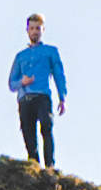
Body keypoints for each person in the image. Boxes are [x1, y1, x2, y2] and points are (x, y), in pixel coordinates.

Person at [8, 14, 66, 170]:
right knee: (28, 132)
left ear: (43, 30)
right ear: (27, 30)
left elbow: (58, 75)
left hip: (42, 96)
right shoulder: (20, 56)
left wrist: (62, 97)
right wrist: (22, 82)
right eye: (32, 28)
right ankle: (34, 164)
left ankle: (50, 165)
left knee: (46, 125)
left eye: (38, 29)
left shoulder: (50, 52)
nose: (35, 32)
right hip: (25, 99)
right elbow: (11, 84)